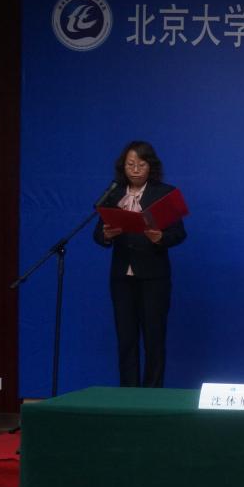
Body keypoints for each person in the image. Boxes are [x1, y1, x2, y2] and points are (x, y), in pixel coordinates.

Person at [93, 140, 187, 388]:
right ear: (122, 167)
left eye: (141, 164)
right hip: (121, 278)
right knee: (126, 338)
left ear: (151, 166)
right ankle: (128, 394)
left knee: (154, 339)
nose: (135, 170)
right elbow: (97, 234)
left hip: (154, 277)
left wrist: (160, 238)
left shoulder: (164, 193)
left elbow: (179, 233)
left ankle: (152, 394)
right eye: (130, 164)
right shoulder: (114, 193)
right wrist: (106, 235)